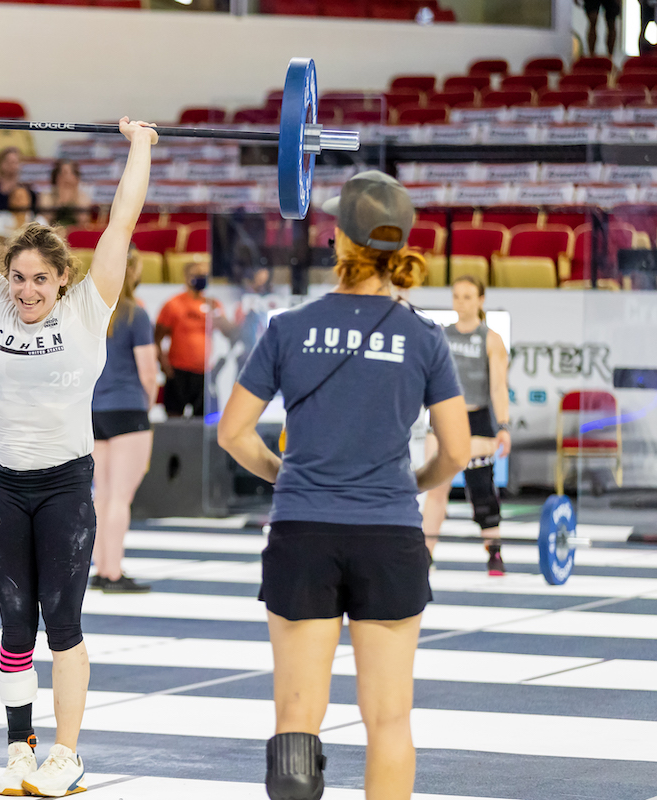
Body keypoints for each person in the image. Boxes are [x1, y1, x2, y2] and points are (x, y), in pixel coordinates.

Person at [217, 171, 470, 800]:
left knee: (297, 722)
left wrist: (286, 477)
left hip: (304, 531)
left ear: (338, 240)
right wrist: (412, 483)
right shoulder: (424, 336)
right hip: (389, 534)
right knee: (388, 721)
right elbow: (458, 450)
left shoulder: (288, 328)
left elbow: (233, 433)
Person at [0, 112, 155, 797]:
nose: (25, 291)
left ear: (63, 279)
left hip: (64, 487)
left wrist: (140, 146)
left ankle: (67, 753)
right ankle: (19, 748)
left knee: (62, 623)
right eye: (18, 277)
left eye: (38, 279)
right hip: (6, 486)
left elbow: (120, 224)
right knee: (12, 624)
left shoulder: (90, 312)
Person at [421, 276, 512, 575]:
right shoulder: (440, 335)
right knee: (435, 490)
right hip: (444, 418)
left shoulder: (491, 338)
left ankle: (494, 553)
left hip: (478, 418)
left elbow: (498, 387)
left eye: (468, 297)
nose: (461, 302)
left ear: (480, 300)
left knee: (481, 489)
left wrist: (503, 426)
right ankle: (425, 556)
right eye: (457, 296)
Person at [90, 246, 158, 594]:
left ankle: (101, 568)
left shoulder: (93, 315)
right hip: (128, 409)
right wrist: (146, 405)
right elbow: (148, 372)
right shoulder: (136, 314)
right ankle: (113, 573)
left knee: (100, 496)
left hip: (94, 411)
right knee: (119, 497)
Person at [155, 256, 236, 417]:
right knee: (174, 420)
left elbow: (231, 333)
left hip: (203, 374)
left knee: (204, 422)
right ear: (187, 277)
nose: (202, 277)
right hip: (178, 372)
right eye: (197, 274)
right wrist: (165, 366)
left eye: (205, 274)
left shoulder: (213, 304)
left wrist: (218, 314)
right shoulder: (173, 305)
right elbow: (156, 338)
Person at [0, 147, 33, 221]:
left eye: (15, 162)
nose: (12, 166)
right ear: (1, 164)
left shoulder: (27, 192)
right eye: (9, 162)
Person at [37, 160, 92, 229]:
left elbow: (83, 221)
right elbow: (45, 220)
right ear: (56, 177)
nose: (67, 178)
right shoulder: (47, 196)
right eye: (63, 174)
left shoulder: (83, 197)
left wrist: (73, 197)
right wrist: (58, 198)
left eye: (71, 173)